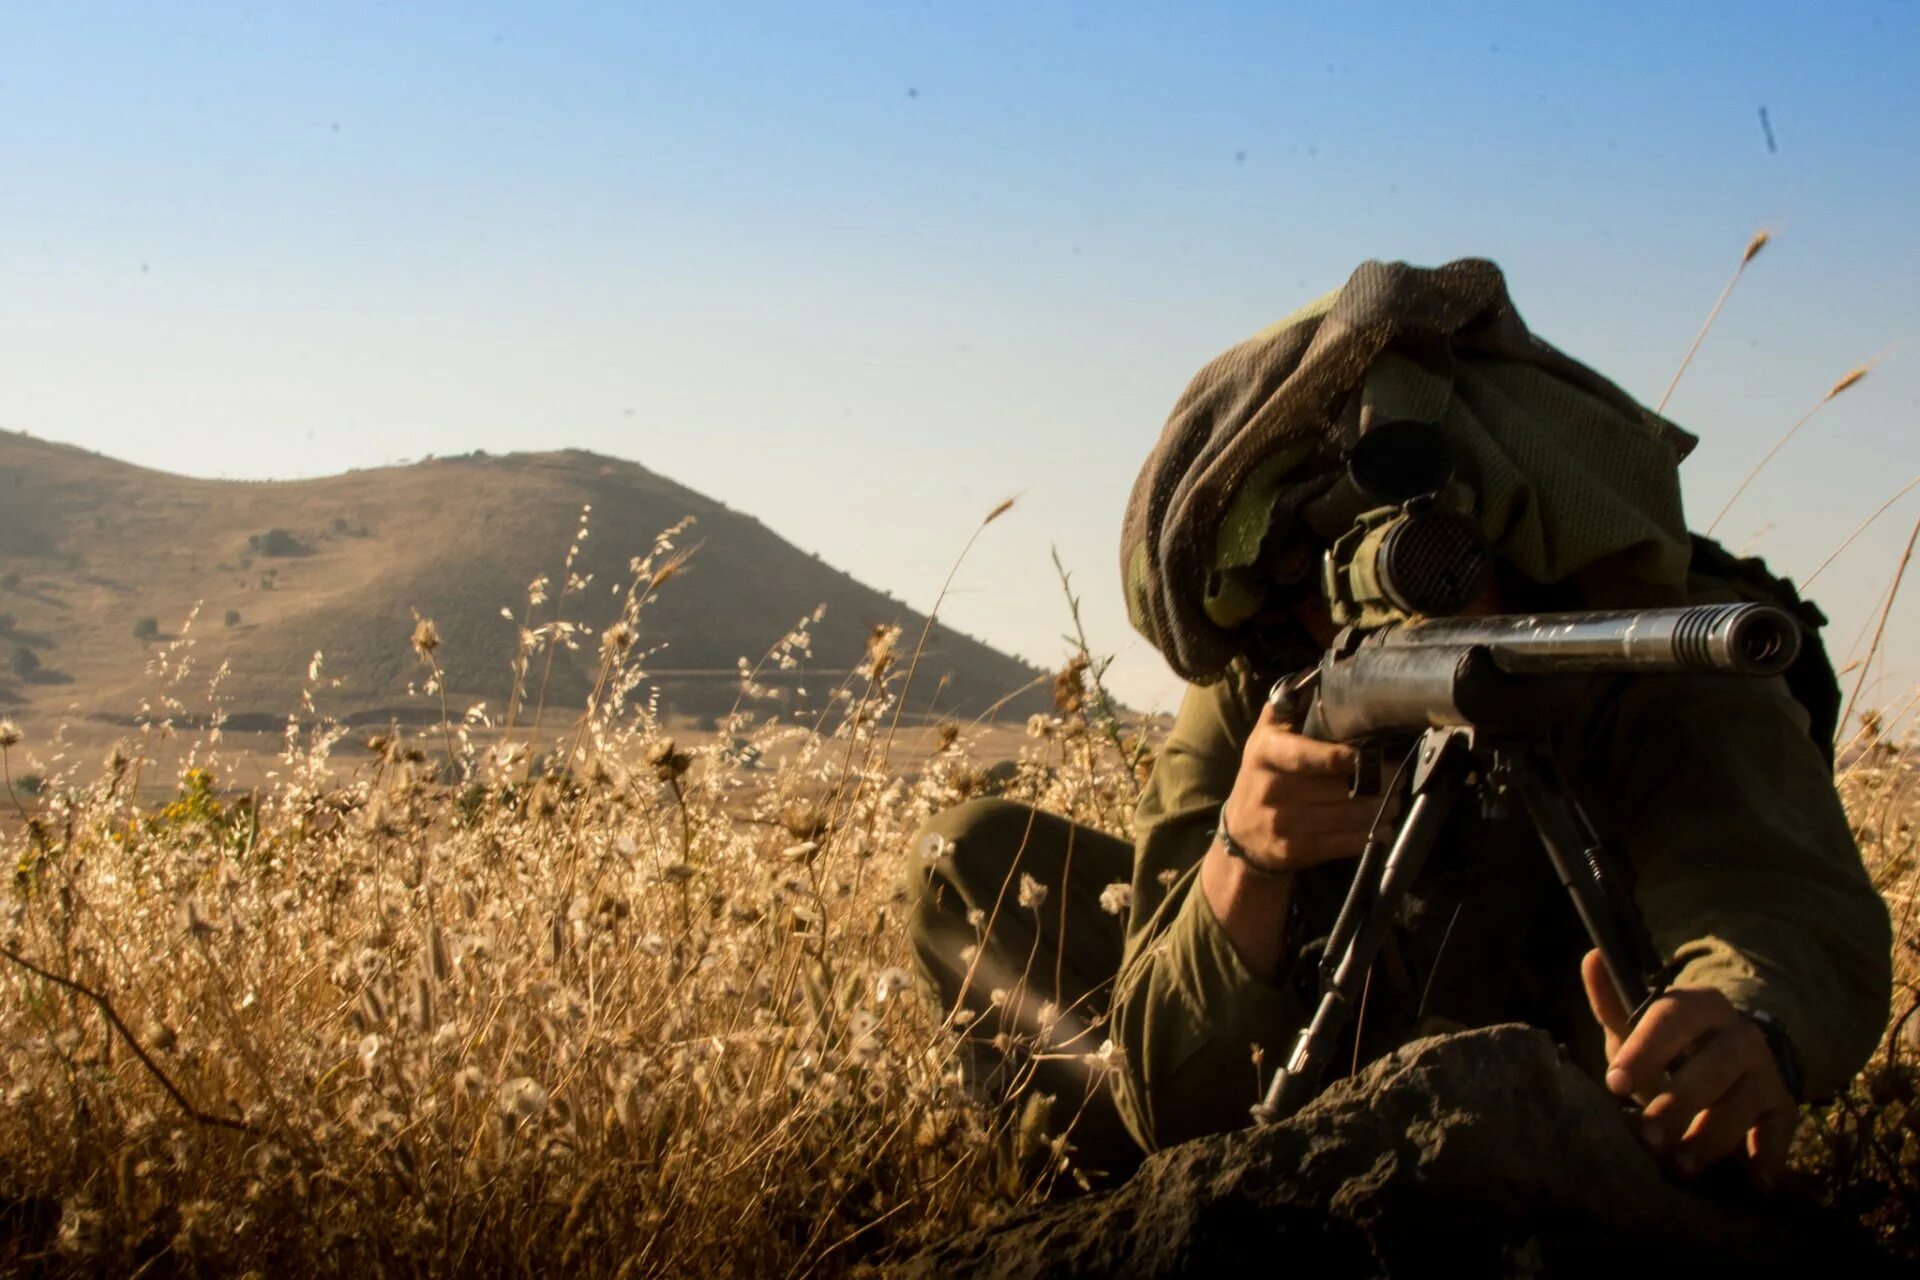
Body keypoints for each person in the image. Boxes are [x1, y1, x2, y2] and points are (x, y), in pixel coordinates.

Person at [905, 258, 1893, 1190]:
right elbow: (1155, 1078)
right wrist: (1242, 864)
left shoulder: (1629, 643)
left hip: (1555, 1055)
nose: (1409, 610)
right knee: (973, 856)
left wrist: (1742, 1021)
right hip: (1296, 1039)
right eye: (1338, 584)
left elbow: (1770, 894)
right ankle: (1070, 1209)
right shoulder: (1271, 677)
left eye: (1451, 558)